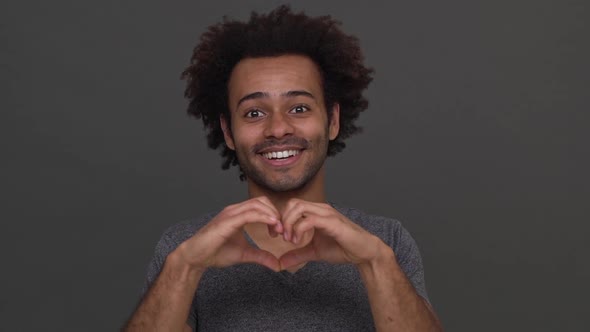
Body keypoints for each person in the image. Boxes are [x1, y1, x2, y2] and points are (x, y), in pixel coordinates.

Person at [123, 5, 442, 332]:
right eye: (254, 113)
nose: (278, 129)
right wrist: (185, 267)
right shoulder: (185, 247)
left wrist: (375, 263)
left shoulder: (386, 241)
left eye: (299, 108)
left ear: (332, 121)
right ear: (229, 132)